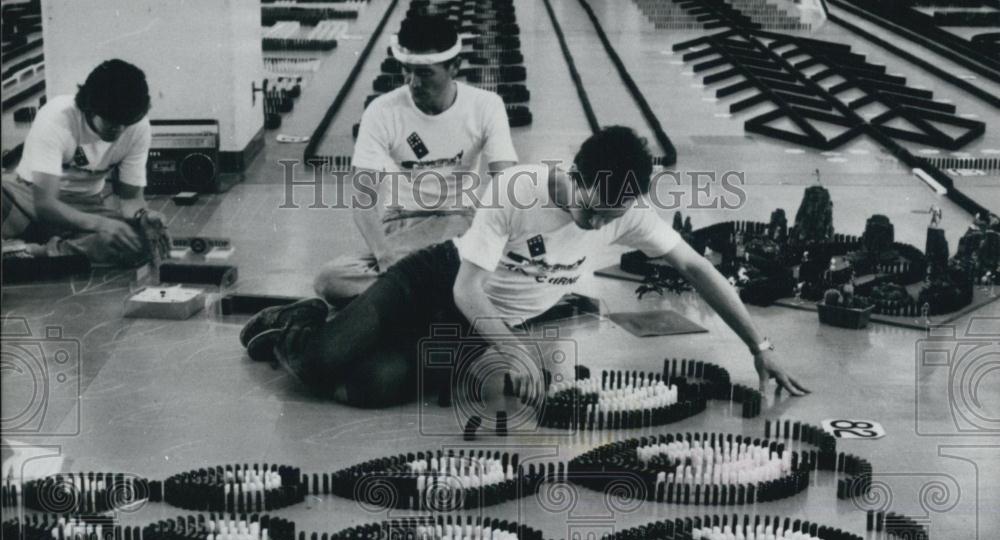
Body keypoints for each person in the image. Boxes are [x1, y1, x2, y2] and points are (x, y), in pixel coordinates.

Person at [242, 126, 809, 407]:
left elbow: (698, 271)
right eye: (590, 209)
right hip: (433, 282)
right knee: (321, 364)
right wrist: (513, 351)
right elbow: (467, 289)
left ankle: (345, 327)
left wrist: (761, 347)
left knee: (366, 388)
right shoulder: (517, 190)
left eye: (610, 216)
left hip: (472, 329)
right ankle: (298, 324)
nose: (596, 225)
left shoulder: (623, 210)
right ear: (575, 176)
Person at [311, 15, 518, 301]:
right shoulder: (382, 111)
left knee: (506, 270)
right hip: (401, 223)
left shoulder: (485, 107)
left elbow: (506, 184)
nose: (413, 82)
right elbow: (363, 200)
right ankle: (442, 291)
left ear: (454, 67)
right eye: (407, 71)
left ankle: (405, 293)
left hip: (460, 220)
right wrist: (385, 257)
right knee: (329, 280)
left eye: (425, 73)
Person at [1, 59, 167, 266]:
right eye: (111, 120)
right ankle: (62, 252)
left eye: (126, 122)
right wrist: (101, 224)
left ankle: (33, 253)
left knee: (140, 243)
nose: (120, 129)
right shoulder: (56, 116)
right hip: (27, 199)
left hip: (85, 207)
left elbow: (131, 199)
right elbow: (45, 205)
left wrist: (143, 216)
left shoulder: (138, 126)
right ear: (89, 107)